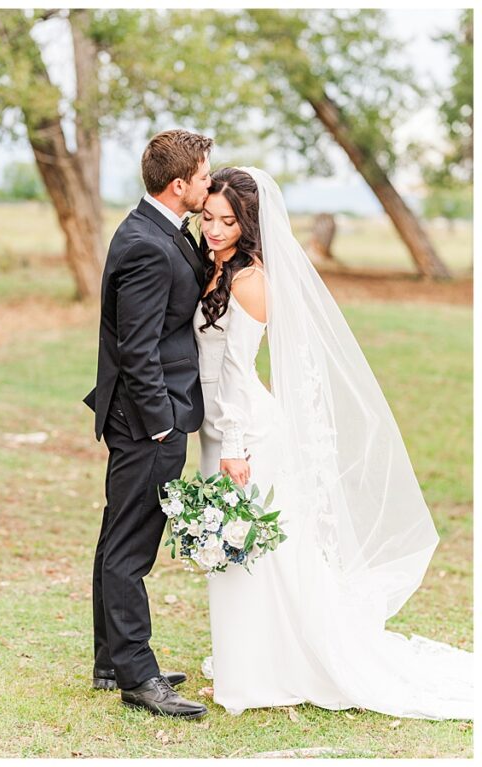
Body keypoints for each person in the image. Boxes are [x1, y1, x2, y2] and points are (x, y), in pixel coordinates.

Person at [195, 166, 472, 719]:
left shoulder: (249, 279)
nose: (216, 230)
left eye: (229, 221)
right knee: (240, 550)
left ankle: (257, 675)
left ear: (249, 224)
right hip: (219, 425)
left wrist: (232, 443)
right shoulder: (215, 267)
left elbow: (232, 369)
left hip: (240, 430)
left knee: (249, 549)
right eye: (208, 217)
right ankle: (249, 662)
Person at [84, 129, 213, 718]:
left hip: (147, 415)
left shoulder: (162, 231)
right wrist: (161, 422)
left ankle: (113, 659)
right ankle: (138, 675)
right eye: (205, 177)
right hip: (146, 421)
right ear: (178, 183)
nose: (209, 185)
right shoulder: (145, 244)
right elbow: (137, 347)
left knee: (119, 536)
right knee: (132, 547)